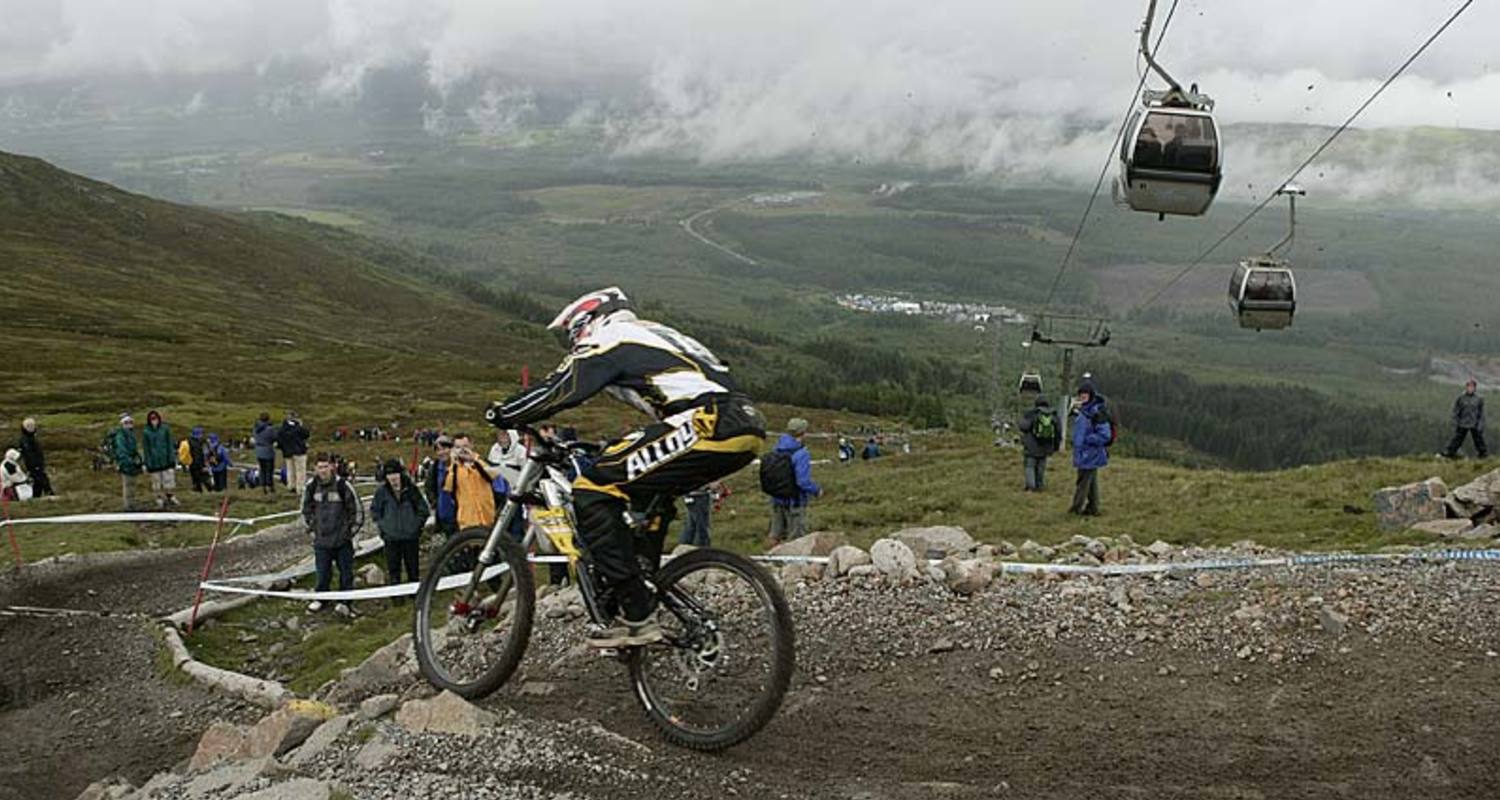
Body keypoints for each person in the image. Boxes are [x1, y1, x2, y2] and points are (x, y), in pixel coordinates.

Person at [485, 286, 765, 648]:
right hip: (744, 424)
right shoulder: (655, 333)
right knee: (651, 495)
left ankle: (637, 613)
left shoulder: (610, 336)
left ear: (588, 320)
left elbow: (564, 388)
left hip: (705, 421)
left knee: (591, 489)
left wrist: (505, 413)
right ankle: (644, 581)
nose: (573, 342)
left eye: (572, 332)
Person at [302, 453, 359, 616]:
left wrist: (348, 533)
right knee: (322, 572)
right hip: (321, 540)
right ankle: (321, 598)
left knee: (346, 572)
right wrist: (313, 529)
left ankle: (345, 601)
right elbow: (306, 509)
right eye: (320, 467)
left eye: (326, 466)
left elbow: (355, 511)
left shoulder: (343, 486)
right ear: (315, 468)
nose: (323, 470)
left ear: (332, 467)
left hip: (342, 540)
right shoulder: (311, 487)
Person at [370, 458, 429, 602]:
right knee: (393, 569)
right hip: (391, 539)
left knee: (413, 568)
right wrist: (384, 528)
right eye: (389, 474)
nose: (393, 477)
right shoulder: (381, 492)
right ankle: (396, 597)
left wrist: (415, 527)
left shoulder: (411, 489)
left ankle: (415, 595)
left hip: (410, 537)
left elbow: (423, 510)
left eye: (395, 473)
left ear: (400, 474)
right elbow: (375, 512)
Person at [766, 418, 822, 545]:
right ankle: (793, 563)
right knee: (797, 539)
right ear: (802, 433)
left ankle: (767, 559)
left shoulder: (777, 448)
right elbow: (802, 481)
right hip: (795, 500)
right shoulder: (801, 453)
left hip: (776, 498)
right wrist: (817, 489)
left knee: (775, 533)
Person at [1069, 381, 1112, 516]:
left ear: (1091, 395)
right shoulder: (1086, 410)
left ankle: (1076, 508)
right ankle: (1093, 507)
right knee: (1090, 482)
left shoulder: (1096, 413)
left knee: (1082, 482)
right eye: (1081, 394)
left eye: (1085, 394)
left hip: (1089, 453)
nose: (1082, 397)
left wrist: (1087, 440)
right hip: (1085, 452)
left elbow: (1105, 435)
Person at [444, 433, 498, 531]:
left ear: (471, 446)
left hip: (487, 516)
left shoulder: (481, 462)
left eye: (465, 446)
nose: (462, 450)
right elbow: (448, 488)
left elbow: (493, 475)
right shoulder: (453, 469)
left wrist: (474, 460)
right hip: (467, 520)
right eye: (458, 447)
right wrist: (453, 463)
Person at [1018, 396, 1061, 492]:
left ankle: (1030, 486)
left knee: (1030, 466)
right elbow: (1058, 431)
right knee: (1041, 467)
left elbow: (1024, 427)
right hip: (1046, 447)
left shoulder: (1032, 414)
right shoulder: (1053, 415)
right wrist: (1056, 447)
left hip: (1031, 446)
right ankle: (1040, 485)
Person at [140, 410, 179, 508]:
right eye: (152, 418)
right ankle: (159, 498)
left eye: (155, 418)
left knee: (169, 481)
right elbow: (146, 448)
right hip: (154, 462)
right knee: (156, 482)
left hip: (166, 459)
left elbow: (169, 444)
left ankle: (170, 496)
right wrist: (147, 462)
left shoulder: (165, 429)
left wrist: (172, 458)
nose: (154, 420)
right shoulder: (146, 432)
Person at [423, 435, 459, 538]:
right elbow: (429, 488)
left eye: (444, 449)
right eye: (438, 450)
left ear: (451, 449)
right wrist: (435, 503)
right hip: (444, 515)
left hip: (460, 515)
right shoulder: (434, 468)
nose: (441, 452)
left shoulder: (459, 466)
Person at [1443, 380, 1487, 459]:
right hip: (1462, 423)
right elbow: (1456, 411)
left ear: (1475, 388)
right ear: (1466, 387)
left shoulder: (1479, 399)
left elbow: (1481, 413)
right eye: (1469, 387)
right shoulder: (1461, 398)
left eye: (1472, 387)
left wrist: (1480, 424)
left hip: (1474, 423)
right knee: (1457, 439)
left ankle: (1483, 454)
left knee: (1479, 440)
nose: (1470, 388)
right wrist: (1455, 422)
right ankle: (1450, 453)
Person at [110, 414, 144, 510]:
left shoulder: (130, 434)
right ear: (122, 424)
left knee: (132, 485)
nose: (129, 424)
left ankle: (131, 504)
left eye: (130, 422)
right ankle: (128, 506)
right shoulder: (121, 436)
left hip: (131, 463)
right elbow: (122, 451)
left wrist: (138, 459)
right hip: (126, 464)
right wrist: (130, 461)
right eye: (126, 423)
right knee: (128, 485)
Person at [276, 411, 310, 493]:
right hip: (299, 451)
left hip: (287, 452)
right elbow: (306, 434)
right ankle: (300, 488)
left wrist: (283, 448)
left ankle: (291, 486)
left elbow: (279, 440)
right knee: (300, 470)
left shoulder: (282, 429)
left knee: (290, 470)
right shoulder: (298, 428)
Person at [17, 418, 52, 497]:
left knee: (37, 482)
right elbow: (29, 454)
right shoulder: (26, 440)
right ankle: (50, 494)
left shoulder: (28, 439)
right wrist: (35, 465)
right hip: (34, 464)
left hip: (35, 464)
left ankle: (36, 497)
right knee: (43, 479)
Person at [679, 483, 719, 547]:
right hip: (698, 496)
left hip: (695, 496)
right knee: (702, 527)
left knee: (691, 525)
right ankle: (703, 550)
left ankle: (684, 548)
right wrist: (711, 485)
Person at [252, 412, 278, 494]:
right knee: (269, 470)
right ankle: (270, 486)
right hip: (268, 451)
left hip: (259, 451)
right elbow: (275, 437)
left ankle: (263, 486)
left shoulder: (256, 428)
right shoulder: (269, 429)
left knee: (262, 469)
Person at [183, 426, 210, 493]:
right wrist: (203, 465)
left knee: (195, 479)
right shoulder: (200, 442)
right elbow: (200, 454)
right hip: (198, 464)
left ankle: (198, 490)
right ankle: (207, 491)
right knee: (205, 479)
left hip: (192, 464)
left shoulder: (188, 441)